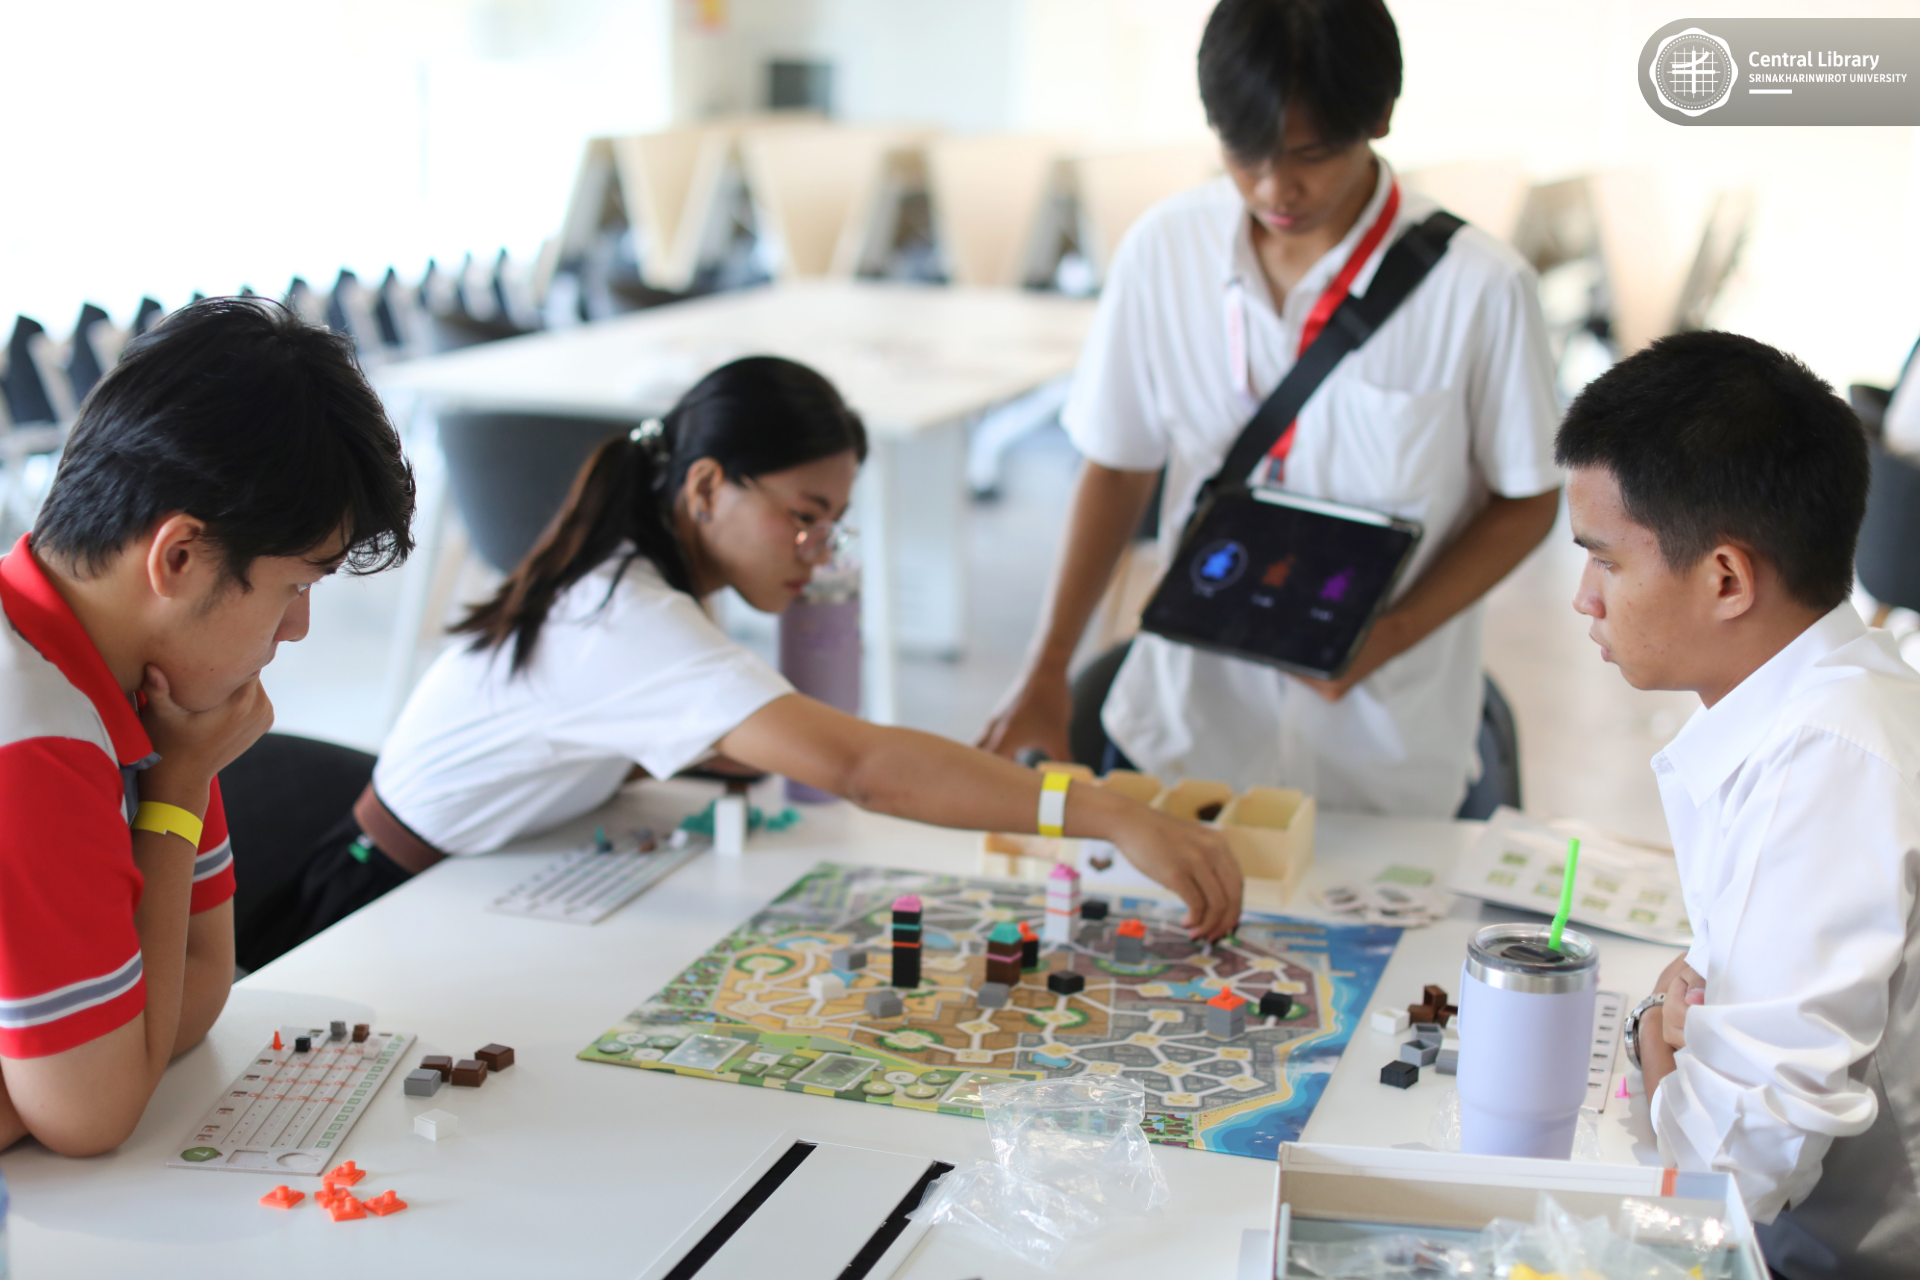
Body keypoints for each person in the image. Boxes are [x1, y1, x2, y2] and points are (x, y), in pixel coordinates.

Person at [247, 356, 1241, 965]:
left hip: (472, 880)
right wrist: (1106, 811)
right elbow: (862, 766)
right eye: (804, 517)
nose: (819, 550)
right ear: (708, 487)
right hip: (375, 916)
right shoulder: (626, 616)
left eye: (833, 524)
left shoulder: (635, 576)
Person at [980, 0, 1562, 816]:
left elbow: (1529, 497)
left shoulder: (1480, 288)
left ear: (1380, 117)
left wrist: (1384, 638)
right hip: (1183, 736)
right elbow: (1116, 465)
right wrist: (1045, 671)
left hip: (1382, 762)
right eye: (1242, 151)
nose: (1273, 187)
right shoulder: (1164, 251)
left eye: (1311, 154)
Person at [0, 298, 415, 1155]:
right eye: (296, 586)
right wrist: (181, 785)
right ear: (179, 557)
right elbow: (93, 1113)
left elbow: (194, 991)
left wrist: (60, 1076)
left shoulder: (125, 681)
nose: (298, 628)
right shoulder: (34, 739)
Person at [1559, 331, 1920, 1279]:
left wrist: (1655, 1041)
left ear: (1725, 577)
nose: (1584, 599)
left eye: (1606, 562)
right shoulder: (1848, 697)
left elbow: (1724, 1173)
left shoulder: (1827, 762)